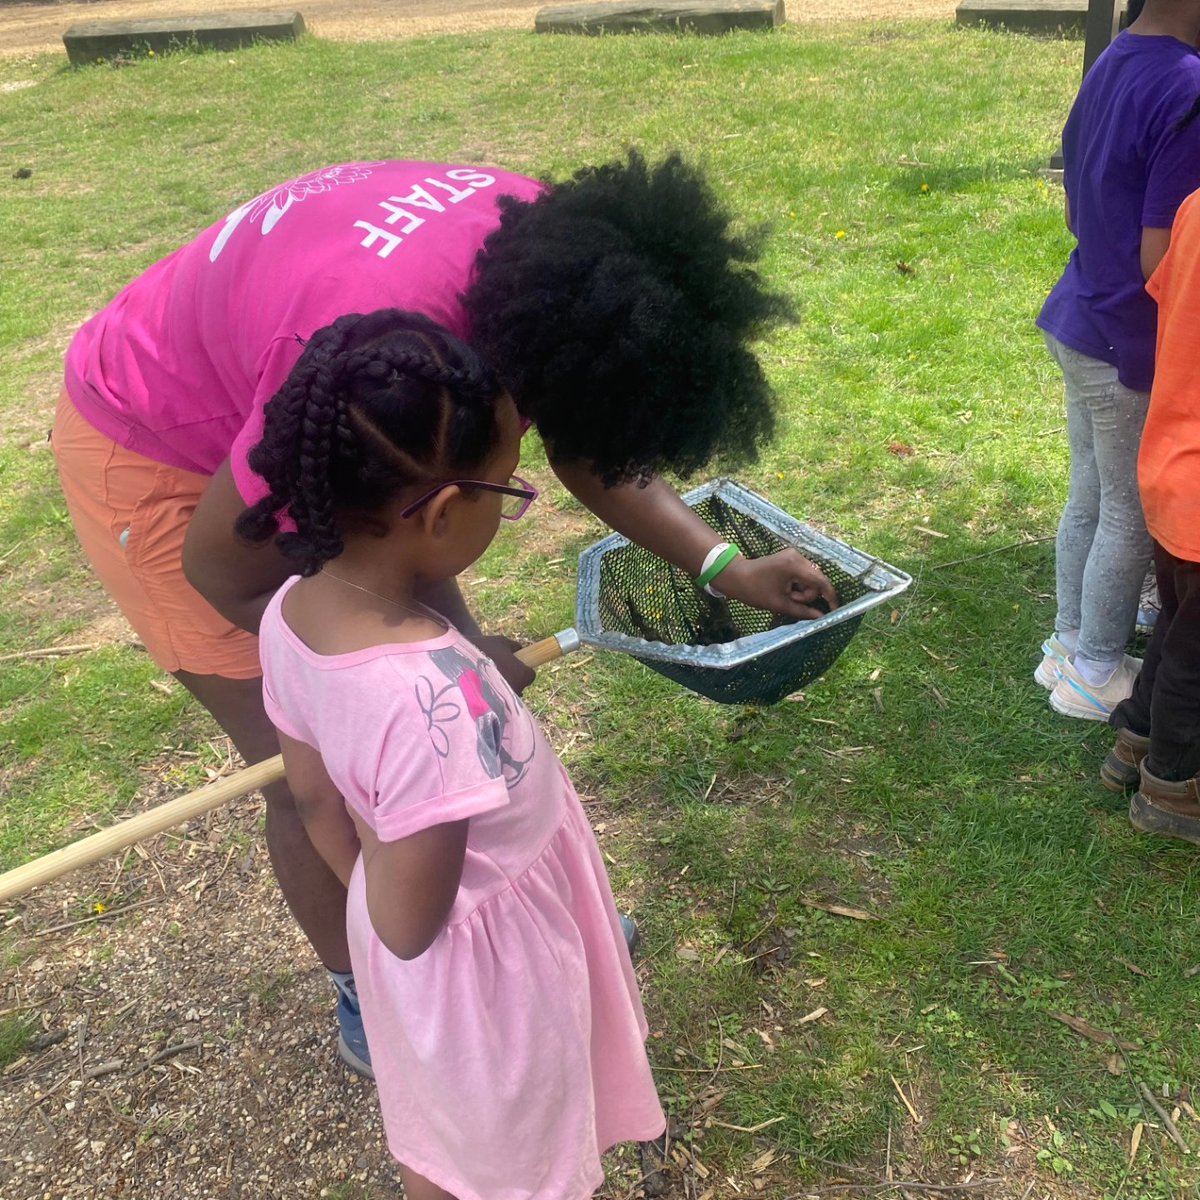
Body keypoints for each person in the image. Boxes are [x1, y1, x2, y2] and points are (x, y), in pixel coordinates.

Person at [53, 152, 837, 1075]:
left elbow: (580, 437)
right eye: (507, 485)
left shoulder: (571, 274)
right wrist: (411, 676)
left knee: (459, 726)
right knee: (313, 772)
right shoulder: (379, 353)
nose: (523, 482)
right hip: (163, 455)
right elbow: (230, 572)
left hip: (338, 410)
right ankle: (375, 983)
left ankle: (512, 935)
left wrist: (721, 565)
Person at [248, 306, 666, 1200]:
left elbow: (317, 800)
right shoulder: (419, 704)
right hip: (490, 981)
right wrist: (409, 841)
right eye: (507, 491)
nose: (511, 505)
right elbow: (412, 921)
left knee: (455, 1140)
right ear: (440, 513)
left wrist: (374, 878)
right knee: (511, 1155)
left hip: (430, 951)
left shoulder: (289, 611)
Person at [1034, 0, 1200, 721]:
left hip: (1077, 315)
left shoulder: (1115, 55)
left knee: (1092, 495)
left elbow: (1075, 204)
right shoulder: (1190, 86)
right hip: (1127, 340)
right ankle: (1095, 672)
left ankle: (1068, 647)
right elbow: (1163, 256)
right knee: (1130, 515)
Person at [1103, 183, 1200, 847]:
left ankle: (1135, 741)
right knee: (1197, 650)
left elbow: (1166, 288)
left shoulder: (1194, 204)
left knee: (1176, 620)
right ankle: (1175, 782)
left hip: (1171, 459)